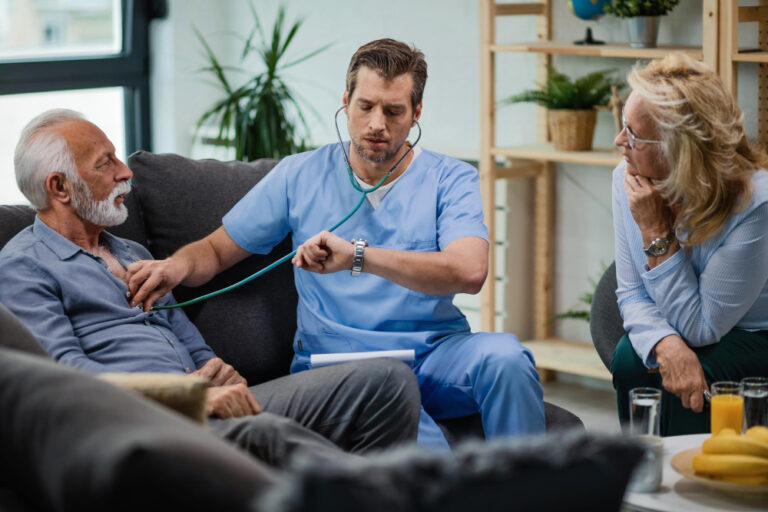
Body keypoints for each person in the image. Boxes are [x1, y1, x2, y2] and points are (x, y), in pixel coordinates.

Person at [125, 38, 545, 447]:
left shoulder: (451, 179)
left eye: (394, 111)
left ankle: (535, 488)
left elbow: (470, 272)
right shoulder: (299, 174)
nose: (377, 124)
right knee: (424, 448)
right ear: (346, 101)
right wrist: (175, 266)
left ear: (416, 113)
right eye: (366, 107)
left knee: (505, 358)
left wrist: (358, 256)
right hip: (342, 367)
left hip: (435, 354)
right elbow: (215, 250)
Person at [0, 108, 422, 467]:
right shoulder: (23, 267)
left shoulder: (131, 252)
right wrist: (187, 397)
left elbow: (192, 345)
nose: (125, 172)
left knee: (387, 379)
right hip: (143, 422)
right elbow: (65, 380)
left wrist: (221, 372)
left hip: (206, 406)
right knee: (271, 437)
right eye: (105, 163)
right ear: (59, 188)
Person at [611, 53, 768, 436]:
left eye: (633, 134)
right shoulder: (626, 177)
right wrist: (665, 343)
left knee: (700, 369)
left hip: (752, 336)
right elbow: (631, 291)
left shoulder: (755, 201)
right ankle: (642, 478)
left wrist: (654, 230)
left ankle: (700, 485)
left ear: (678, 150)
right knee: (634, 359)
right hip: (684, 324)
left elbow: (701, 327)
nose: (619, 142)